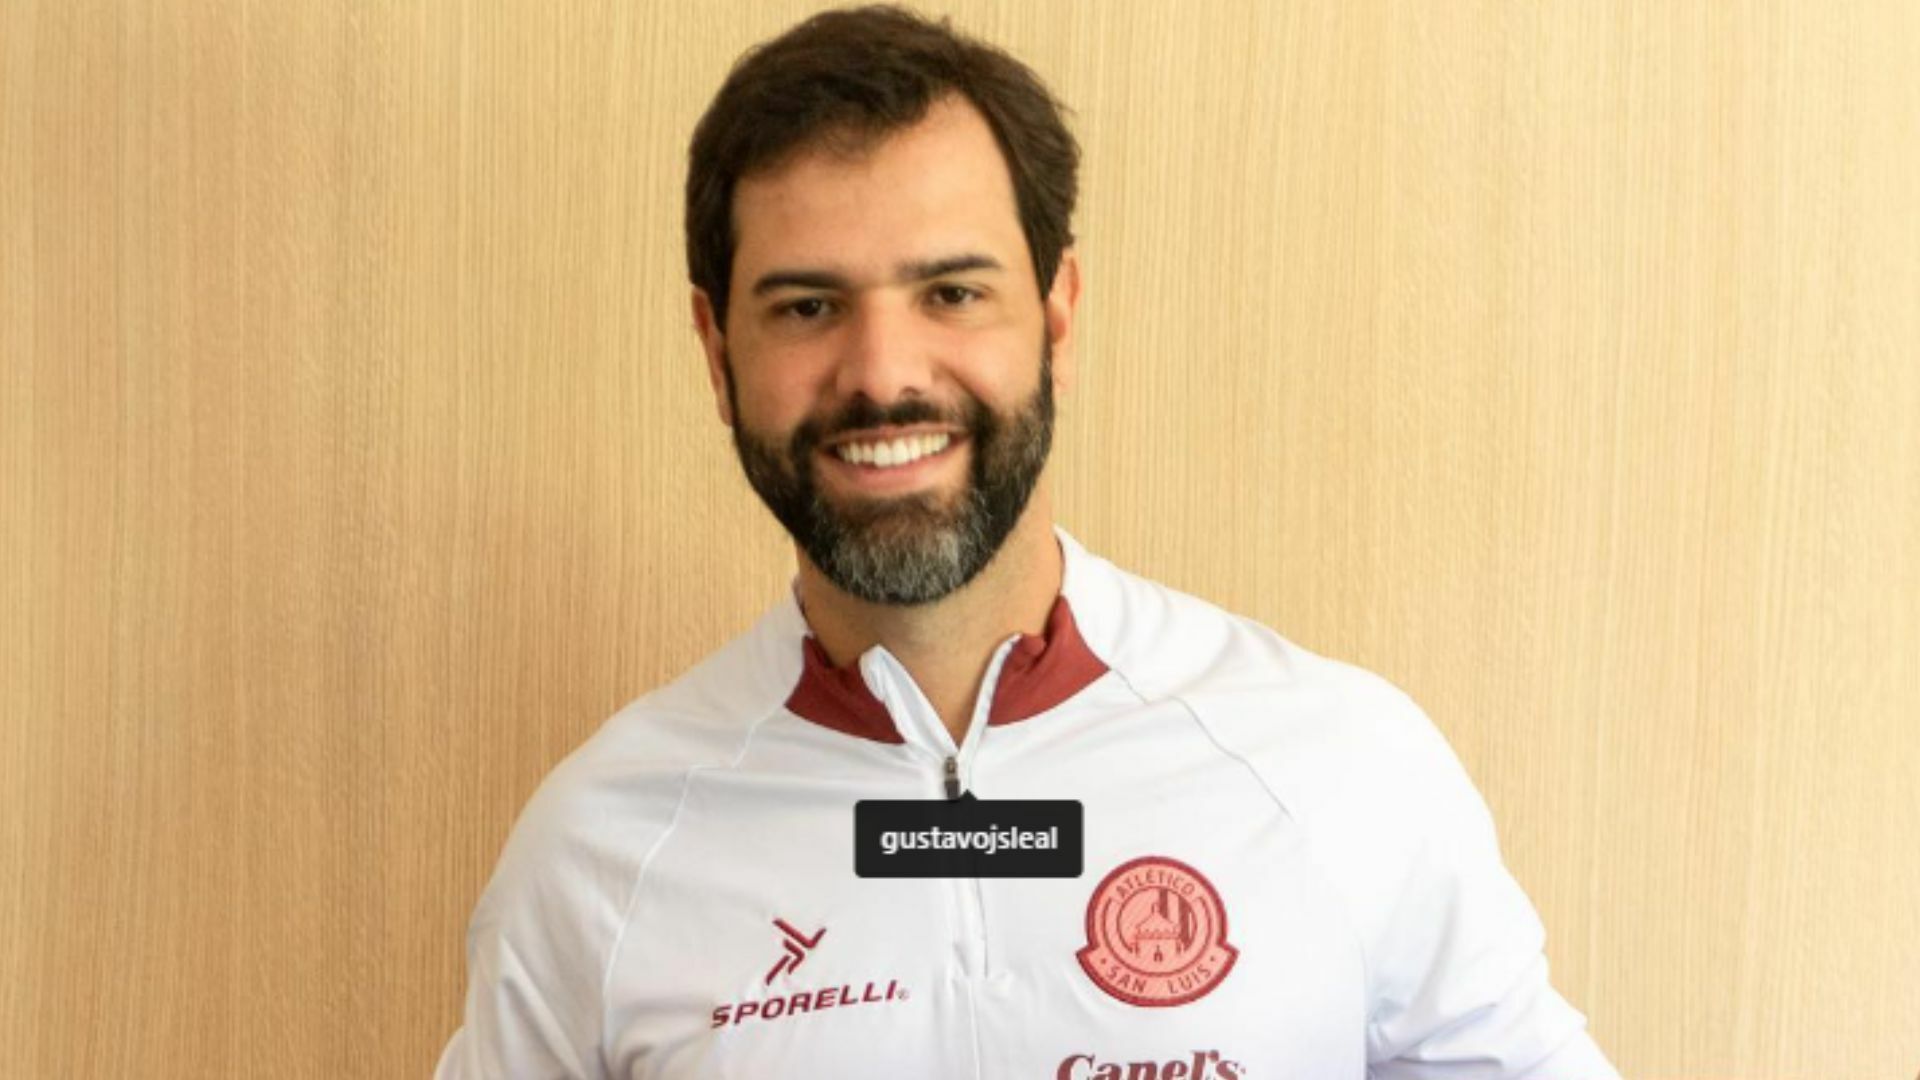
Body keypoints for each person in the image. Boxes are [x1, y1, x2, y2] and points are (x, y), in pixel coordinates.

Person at [436, 6, 1619, 1078]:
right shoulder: (601, 850)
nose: (883, 373)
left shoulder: (1335, 765)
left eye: (952, 293)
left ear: (1056, 317)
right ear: (716, 352)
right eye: (808, 307)